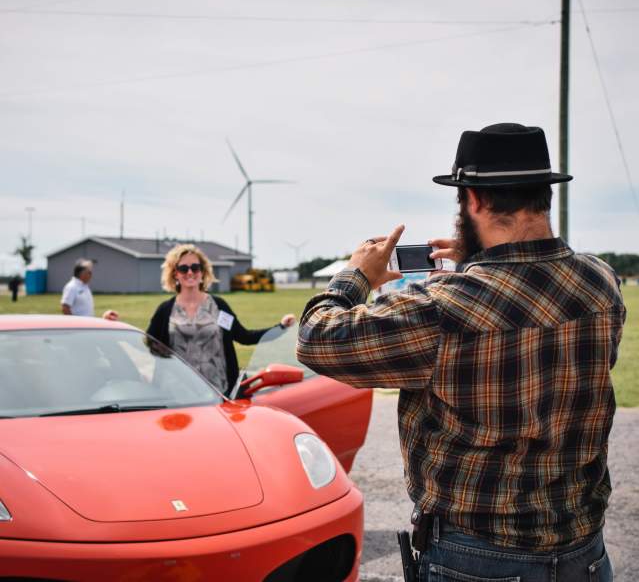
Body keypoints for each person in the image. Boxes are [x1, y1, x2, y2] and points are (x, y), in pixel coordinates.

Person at [297, 123, 626, 581]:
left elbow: (316, 337)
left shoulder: (444, 307)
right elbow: (531, 291)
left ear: (476, 200)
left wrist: (357, 276)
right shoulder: (600, 282)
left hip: (478, 558)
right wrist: (477, 261)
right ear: (544, 194)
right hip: (584, 552)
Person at [146, 243, 295, 395]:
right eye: (183, 268)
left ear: (203, 272)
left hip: (218, 393)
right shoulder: (165, 311)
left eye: (195, 267)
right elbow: (148, 344)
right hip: (176, 395)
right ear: (175, 273)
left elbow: (244, 336)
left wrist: (281, 327)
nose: (190, 272)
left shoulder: (219, 307)